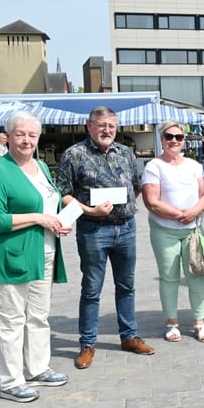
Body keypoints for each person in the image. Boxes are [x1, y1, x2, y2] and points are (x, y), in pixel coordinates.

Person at [56, 106, 154, 370]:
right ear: (89, 126)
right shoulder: (74, 155)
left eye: (111, 126)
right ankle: (87, 344)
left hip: (126, 229)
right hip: (92, 230)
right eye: (101, 125)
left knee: (127, 286)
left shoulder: (126, 153)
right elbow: (63, 193)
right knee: (91, 290)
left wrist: (122, 209)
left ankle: (129, 336)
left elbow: (135, 186)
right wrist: (90, 210)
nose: (107, 130)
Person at [0, 111, 70, 402]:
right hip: (11, 256)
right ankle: (10, 381)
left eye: (32, 135)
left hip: (43, 252)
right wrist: (38, 218)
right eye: (20, 134)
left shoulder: (42, 166)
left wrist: (58, 220)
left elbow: (50, 204)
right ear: (8, 137)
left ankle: (37, 368)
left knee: (38, 317)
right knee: (11, 320)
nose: (27, 140)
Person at [142, 121, 204, 343]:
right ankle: (172, 323)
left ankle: (200, 322)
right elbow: (151, 201)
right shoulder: (154, 166)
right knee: (169, 277)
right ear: (162, 139)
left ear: (184, 140)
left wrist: (192, 213)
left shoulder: (194, 165)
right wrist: (178, 215)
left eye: (178, 137)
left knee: (197, 276)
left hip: (193, 230)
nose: (174, 140)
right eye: (169, 136)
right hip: (165, 230)